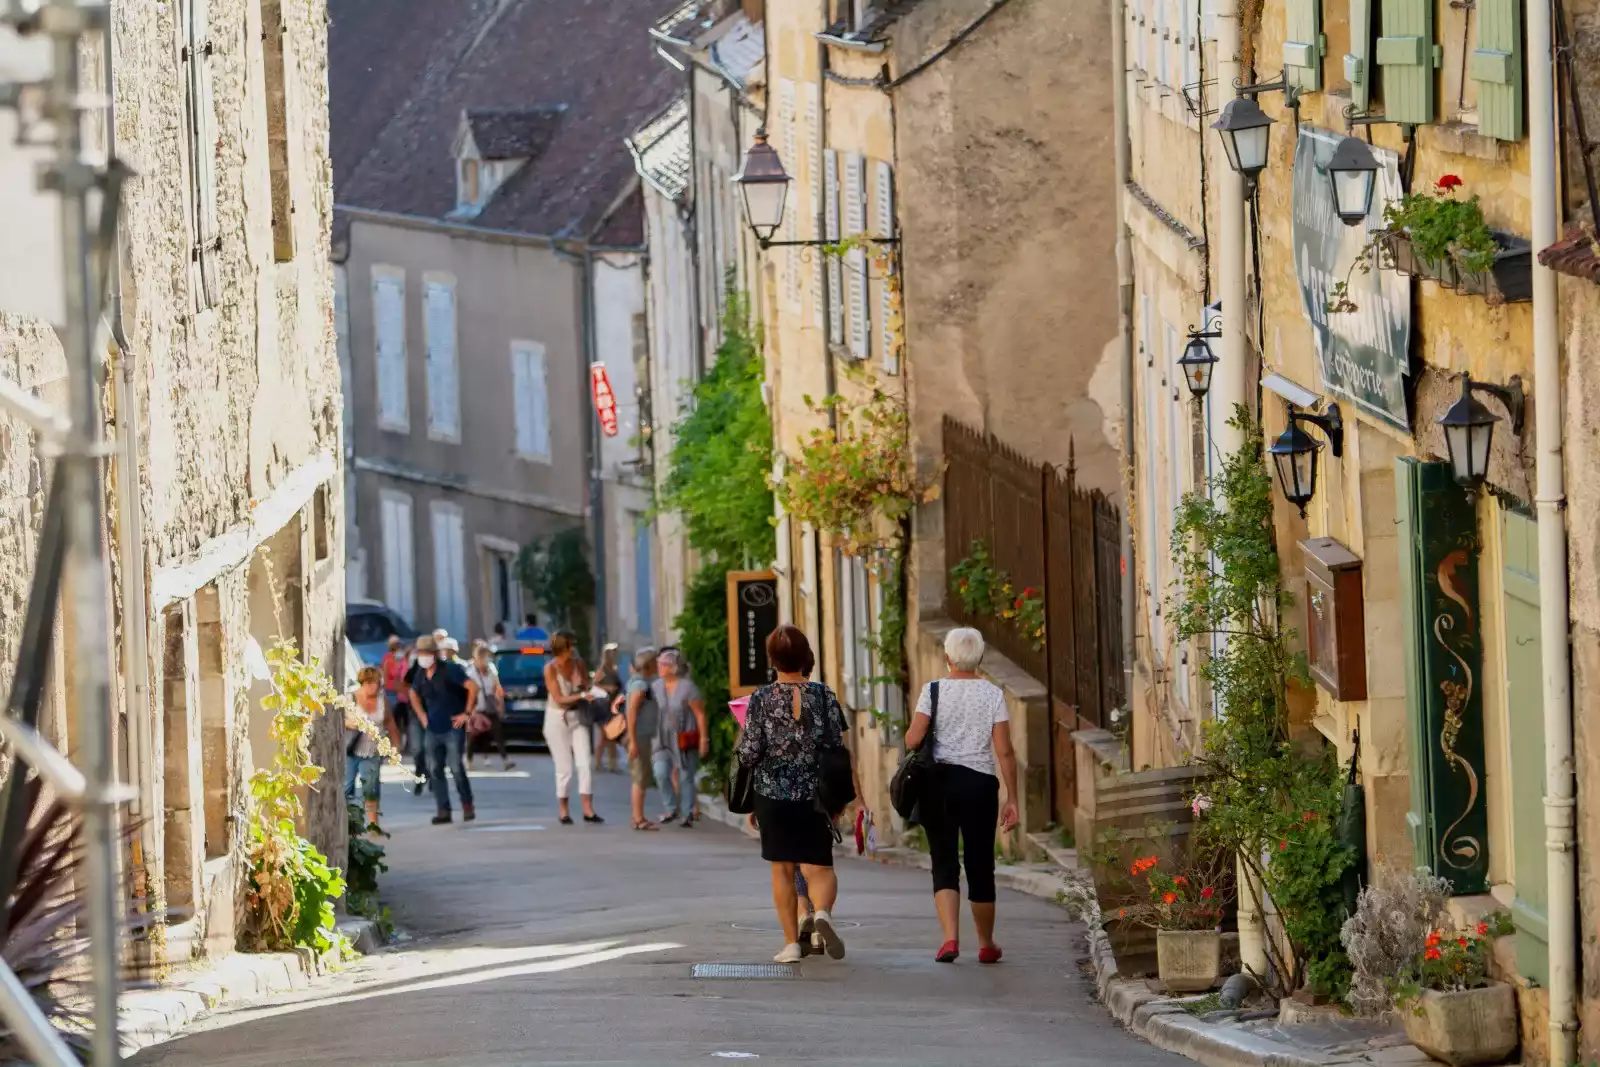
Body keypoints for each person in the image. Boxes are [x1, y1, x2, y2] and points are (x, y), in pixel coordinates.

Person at [734, 624, 862, 963]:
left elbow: (749, 753)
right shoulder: (825, 696)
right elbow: (838, 748)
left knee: (782, 868)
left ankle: (791, 943)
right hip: (816, 794)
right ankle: (821, 914)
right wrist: (847, 797)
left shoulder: (761, 699)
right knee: (818, 866)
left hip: (772, 795)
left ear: (773, 660)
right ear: (806, 656)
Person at [902, 627, 1020, 964]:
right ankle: (985, 943)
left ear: (947, 657)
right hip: (980, 786)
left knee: (944, 861)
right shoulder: (993, 695)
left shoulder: (933, 690)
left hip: (938, 784)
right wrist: (1012, 798)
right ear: (980, 658)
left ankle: (950, 940)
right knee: (980, 863)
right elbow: (1005, 752)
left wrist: (922, 733)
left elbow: (913, 739)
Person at [407, 633, 479, 825]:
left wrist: (467, 713)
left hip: (453, 728)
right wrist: (422, 716)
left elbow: (472, 686)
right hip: (432, 729)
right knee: (435, 769)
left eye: (426, 652)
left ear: (435, 653)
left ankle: (467, 804)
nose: (423, 656)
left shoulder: (451, 670)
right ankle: (443, 810)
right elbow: (413, 693)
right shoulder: (421, 674)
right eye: (420, 652)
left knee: (456, 768)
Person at [542, 631, 603, 825]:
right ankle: (564, 811)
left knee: (585, 763)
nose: (574, 649)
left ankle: (588, 809)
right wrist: (581, 695)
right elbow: (559, 699)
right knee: (564, 768)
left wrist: (584, 685)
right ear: (562, 648)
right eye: (570, 645)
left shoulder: (579, 663)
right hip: (557, 719)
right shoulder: (550, 669)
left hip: (579, 717)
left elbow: (585, 689)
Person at [651, 648, 709, 827]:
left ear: (673, 667)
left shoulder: (688, 687)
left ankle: (686, 813)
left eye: (663, 664)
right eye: (659, 664)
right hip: (661, 738)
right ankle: (670, 808)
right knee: (660, 772)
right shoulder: (656, 686)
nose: (659, 667)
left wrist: (703, 739)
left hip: (684, 736)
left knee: (685, 776)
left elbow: (699, 714)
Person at [345, 666, 402, 831]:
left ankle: (372, 823)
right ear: (362, 683)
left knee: (370, 788)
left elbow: (389, 722)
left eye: (377, 683)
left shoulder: (381, 699)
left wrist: (395, 746)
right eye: (370, 683)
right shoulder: (351, 698)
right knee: (346, 788)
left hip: (372, 752)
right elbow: (337, 720)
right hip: (351, 750)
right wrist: (351, 723)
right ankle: (349, 823)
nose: (374, 687)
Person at [623, 647, 661, 830]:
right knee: (640, 776)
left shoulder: (639, 682)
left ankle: (639, 816)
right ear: (649, 664)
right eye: (656, 662)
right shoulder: (640, 685)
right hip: (639, 736)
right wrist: (633, 741)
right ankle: (638, 818)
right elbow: (631, 713)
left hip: (642, 735)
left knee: (642, 776)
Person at [465, 641, 515, 771]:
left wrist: (500, 705)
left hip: (490, 705)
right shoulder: (471, 672)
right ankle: (469, 760)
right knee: (473, 735)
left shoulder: (492, 669)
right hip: (477, 707)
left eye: (488, 657)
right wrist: (470, 710)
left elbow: (497, 688)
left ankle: (506, 760)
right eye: (485, 657)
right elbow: (468, 692)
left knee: (497, 733)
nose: (487, 660)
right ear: (478, 658)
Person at [592, 643, 624, 773]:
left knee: (611, 736)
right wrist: (608, 688)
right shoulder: (603, 670)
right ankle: (600, 763)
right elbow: (594, 685)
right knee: (605, 736)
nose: (615, 655)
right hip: (603, 706)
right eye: (613, 653)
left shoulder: (613, 669)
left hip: (612, 706)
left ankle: (611, 763)